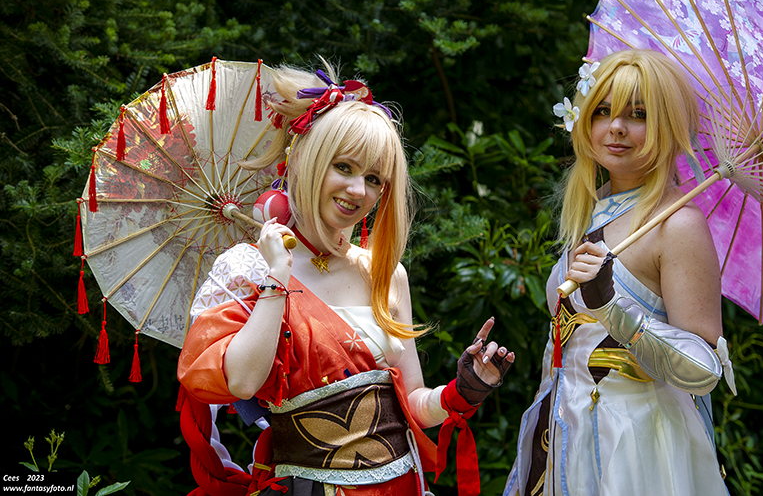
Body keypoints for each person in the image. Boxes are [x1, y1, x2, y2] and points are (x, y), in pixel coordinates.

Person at [177, 62, 515, 496]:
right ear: (304, 161)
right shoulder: (248, 268)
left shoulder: (385, 273)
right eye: (344, 167)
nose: (359, 190)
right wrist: (276, 277)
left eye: (374, 178)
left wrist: (463, 391)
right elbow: (241, 381)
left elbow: (413, 405)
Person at [504, 49, 736, 496]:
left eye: (639, 115)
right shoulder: (592, 208)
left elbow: (703, 369)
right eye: (603, 111)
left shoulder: (679, 225)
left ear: (668, 126)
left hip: (637, 447)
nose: (615, 127)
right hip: (560, 433)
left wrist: (612, 307)